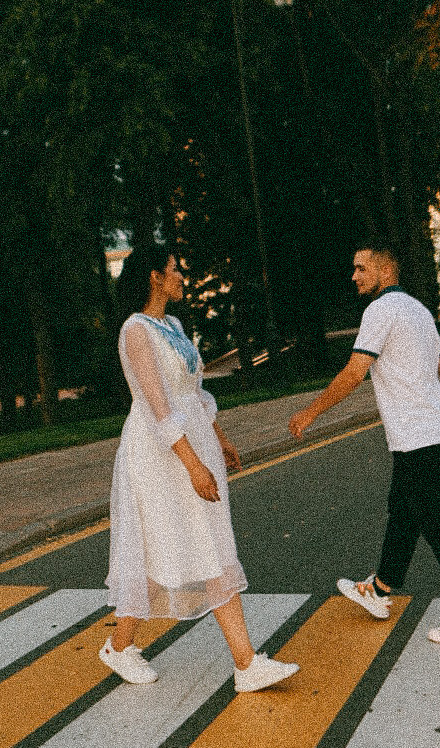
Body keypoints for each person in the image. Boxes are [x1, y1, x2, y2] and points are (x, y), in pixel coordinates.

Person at [101, 242, 299, 690]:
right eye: (173, 270)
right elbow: (157, 405)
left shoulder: (171, 324)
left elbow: (193, 393)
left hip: (196, 445)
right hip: (159, 455)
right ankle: (245, 663)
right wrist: (192, 464)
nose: (180, 277)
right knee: (166, 546)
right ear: (154, 276)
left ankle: (122, 646)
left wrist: (220, 439)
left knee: (199, 542)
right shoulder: (136, 330)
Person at [289, 241, 440, 645]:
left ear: (384, 273)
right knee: (403, 508)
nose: (354, 276)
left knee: (439, 521)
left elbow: (354, 373)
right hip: (432, 431)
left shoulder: (380, 311)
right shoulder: (418, 310)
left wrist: (310, 413)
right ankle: (381, 589)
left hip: (417, 434)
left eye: (361, 269)